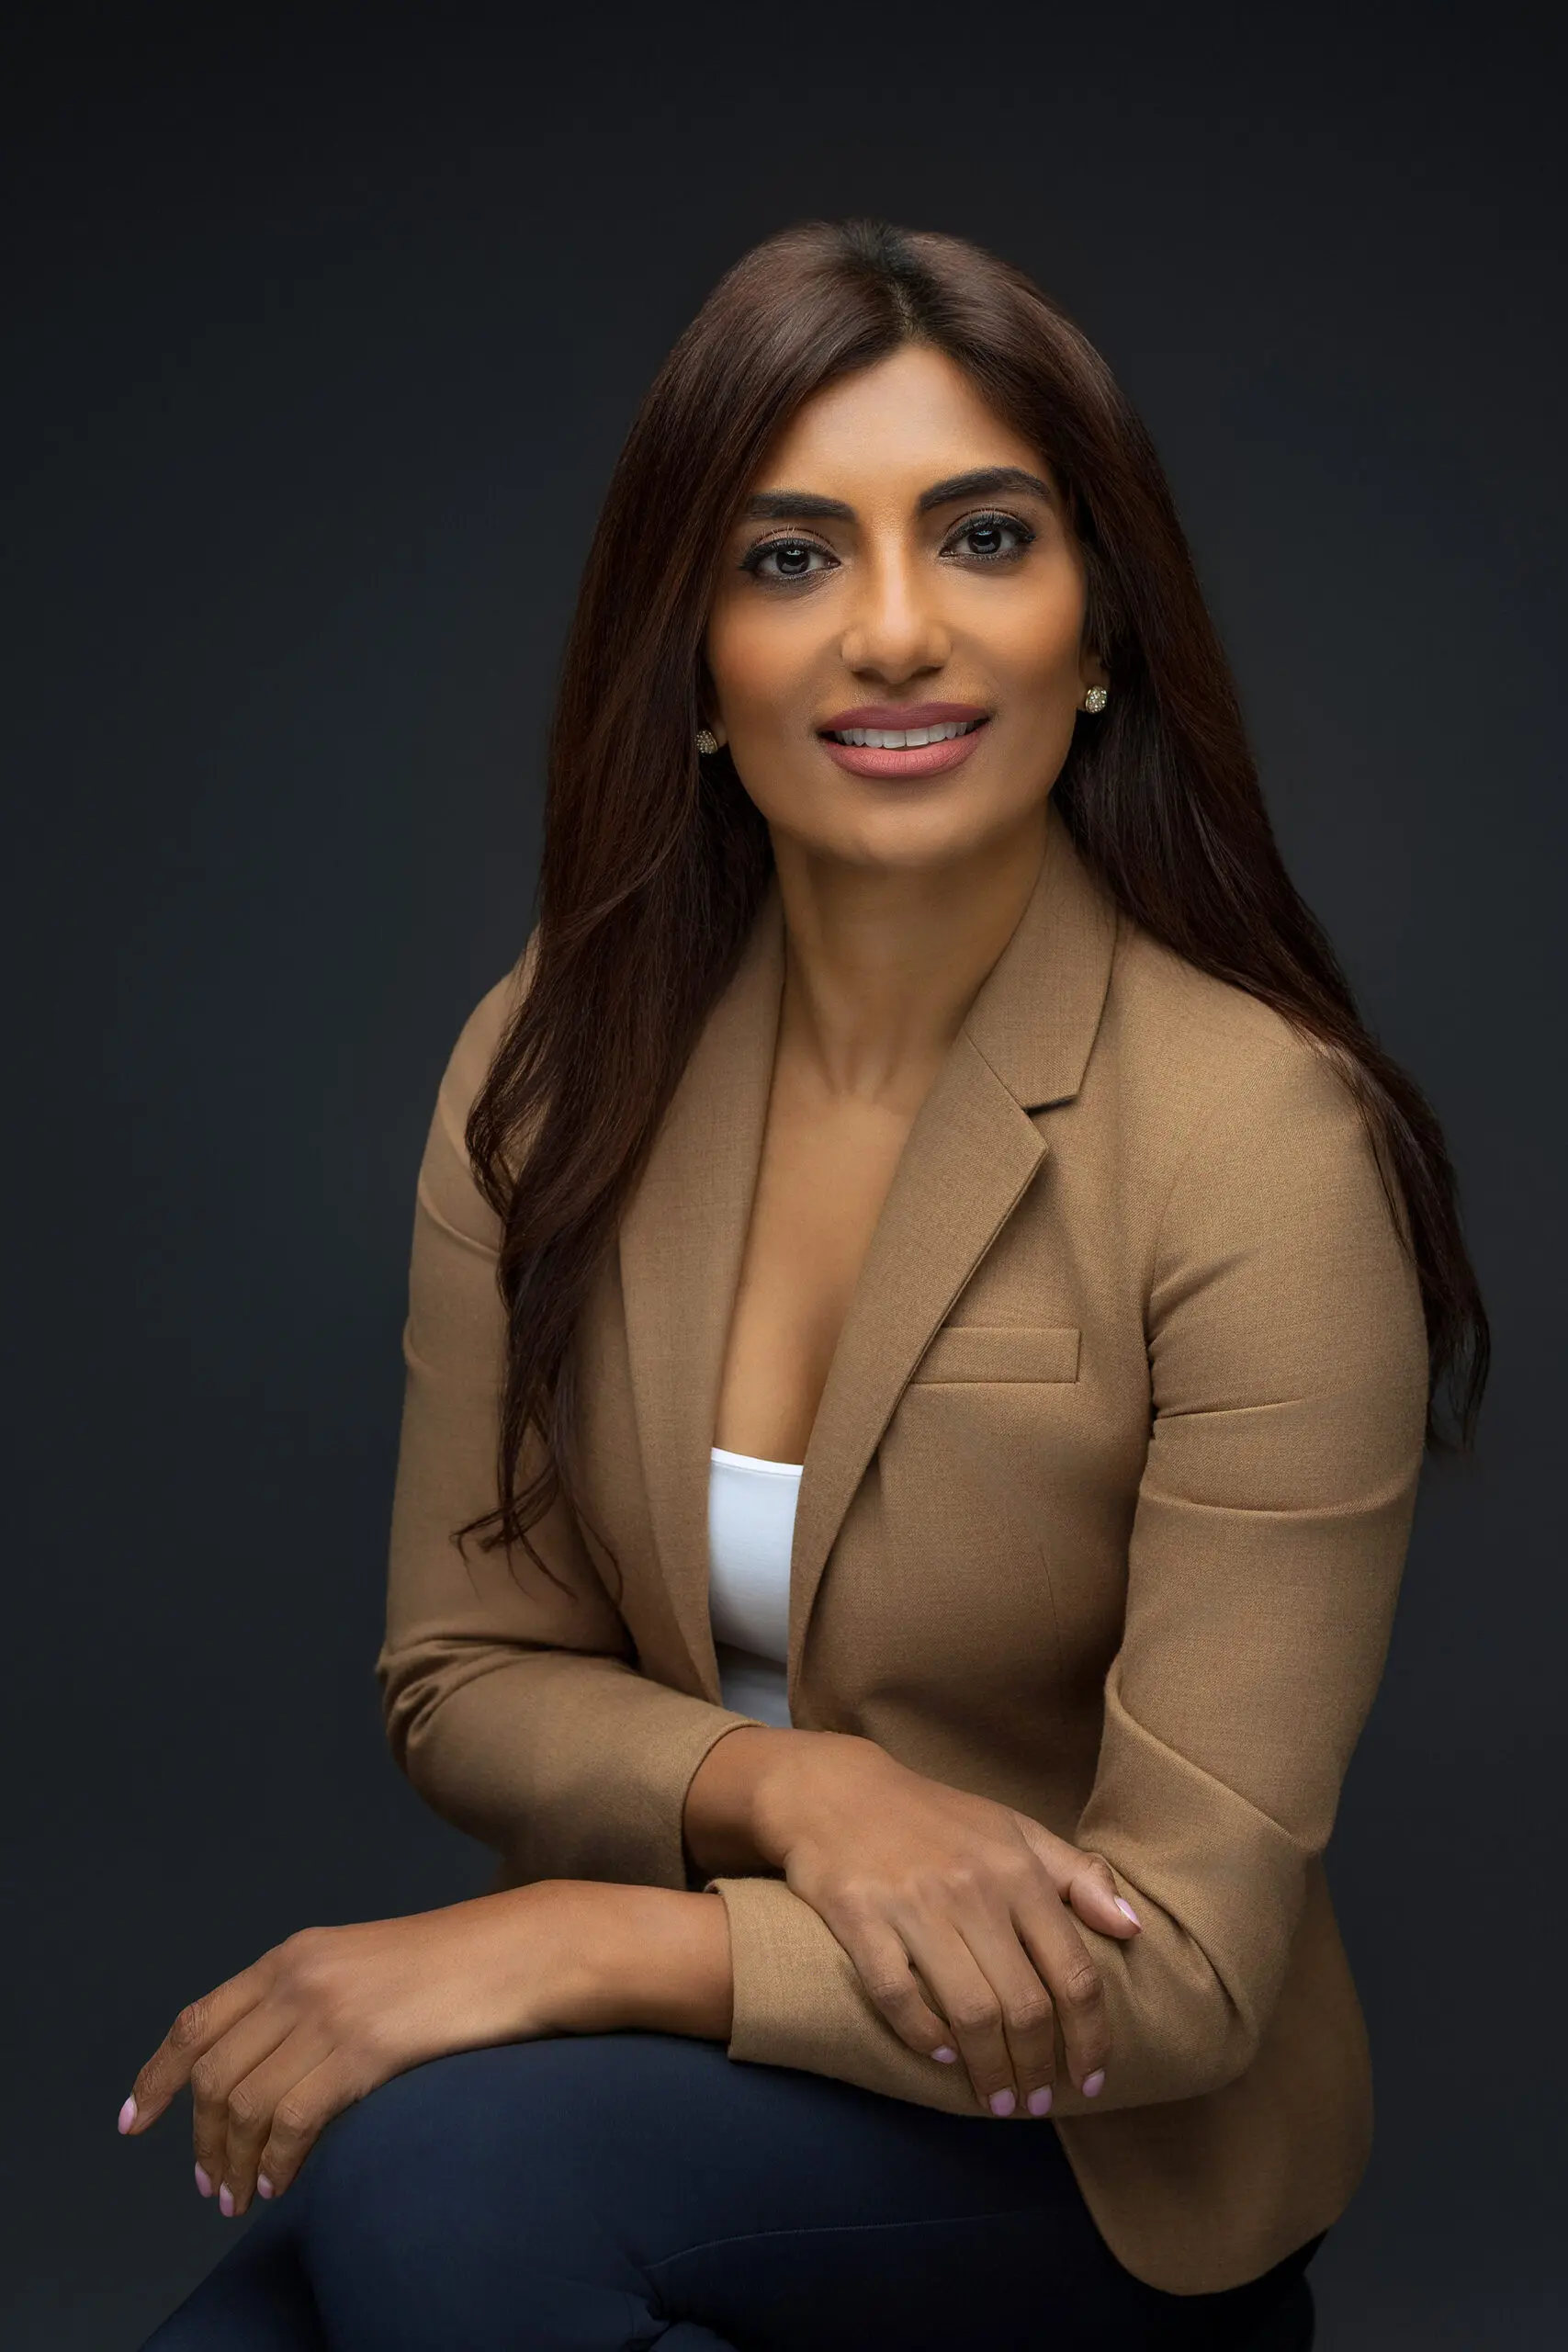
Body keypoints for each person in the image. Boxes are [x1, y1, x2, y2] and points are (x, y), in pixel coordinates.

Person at [124, 219, 1486, 2350]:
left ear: (1099, 633)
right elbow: (464, 1668)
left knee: (439, 2182)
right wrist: (798, 1791)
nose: (896, 630)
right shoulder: (551, 1060)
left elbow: (1193, 1966)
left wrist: (576, 1943)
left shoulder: (1254, 1139)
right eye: (788, 557)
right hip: (673, 2094)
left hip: (1086, 2125)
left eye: (983, 537)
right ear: (690, 661)